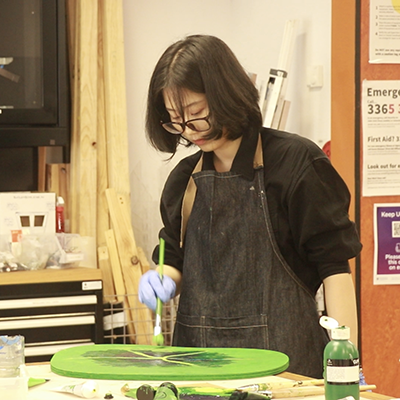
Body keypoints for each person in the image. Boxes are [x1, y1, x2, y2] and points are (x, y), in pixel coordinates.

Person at [138, 34, 362, 378]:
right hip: (199, 369)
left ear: (226, 93)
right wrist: (161, 278)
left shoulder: (296, 164)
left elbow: (335, 270)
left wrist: (346, 365)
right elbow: (176, 262)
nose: (189, 130)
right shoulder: (184, 181)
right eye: (175, 120)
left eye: (196, 113)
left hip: (287, 371)